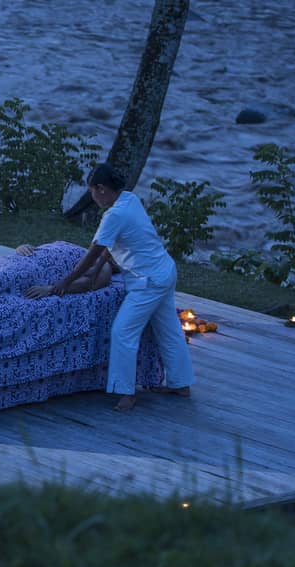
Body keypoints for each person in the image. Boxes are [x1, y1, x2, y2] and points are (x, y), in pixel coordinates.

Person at [23, 164, 194, 411]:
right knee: (169, 330)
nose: (92, 197)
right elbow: (107, 247)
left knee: (123, 332)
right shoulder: (130, 200)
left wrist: (61, 284)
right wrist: (93, 275)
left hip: (148, 282)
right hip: (165, 271)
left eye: (92, 191)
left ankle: (126, 393)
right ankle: (181, 384)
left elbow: (93, 253)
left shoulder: (113, 215)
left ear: (101, 189)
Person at [15, 243, 115, 292]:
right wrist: (24, 247)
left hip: (32, 270)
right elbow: (47, 250)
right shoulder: (85, 252)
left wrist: (50, 289)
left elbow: (88, 283)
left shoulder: (105, 266)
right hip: (24, 259)